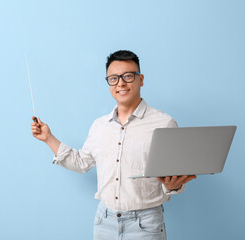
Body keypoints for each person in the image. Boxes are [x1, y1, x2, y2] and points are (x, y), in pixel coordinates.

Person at [30, 50, 196, 240]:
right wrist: (48, 138)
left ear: (141, 79)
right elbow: (81, 162)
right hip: (104, 221)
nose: (121, 83)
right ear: (108, 83)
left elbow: (175, 178)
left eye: (128, 76)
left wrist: (173, 186)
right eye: (114, 78)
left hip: (146, 223)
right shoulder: (99, 125)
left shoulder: (164, 123)